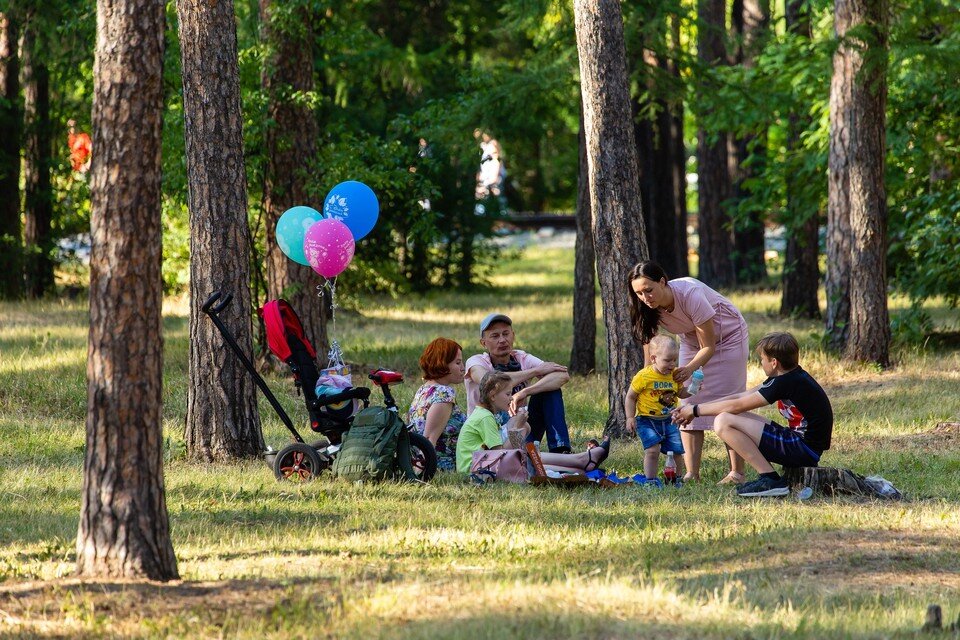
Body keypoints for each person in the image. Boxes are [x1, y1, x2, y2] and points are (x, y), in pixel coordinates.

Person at [627, 260, 749, 483]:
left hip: (728, 337)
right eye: (639, 293)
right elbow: (649, 341)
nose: (645, 298)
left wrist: (690, 369)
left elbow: (708, 347)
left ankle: (737, 473)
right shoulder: (647, 306)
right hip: (691, 340)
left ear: (662, 282)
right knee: (686, 406)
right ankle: (692, 473)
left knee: (729, 403)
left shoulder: (690, 294)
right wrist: (648, 374)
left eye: (649, 290)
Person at [673, 332, 833, 498]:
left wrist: (694, 411)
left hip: (803, 449)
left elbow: (737, 405)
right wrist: (694, 407)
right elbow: (741, 396)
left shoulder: (785, 382)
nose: (761, 363)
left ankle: (770, 478)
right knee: (730, 416)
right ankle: (769, 477)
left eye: (762, 359)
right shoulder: (789, 377)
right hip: (802, 445)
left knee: (723, 421)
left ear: (774, 362)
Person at [456, 371, 609, 475]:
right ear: (493, 395)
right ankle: (581, 462)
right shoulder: (484, 418)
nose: (511, 398)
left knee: (529, 457)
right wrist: (516, 427)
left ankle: (581, 465)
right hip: (477, 469)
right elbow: (500, 453)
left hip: (483, 465)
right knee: (528, 460)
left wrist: (522, 427)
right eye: (508, 394)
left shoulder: (486, 415)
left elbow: (511, 450)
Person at [465, 313, 572, 453]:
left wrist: (524, 392)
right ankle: (532, 456)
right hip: (490, 436)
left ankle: (561, 450)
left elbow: (562, 375)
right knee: (525, 457)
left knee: (550, 391)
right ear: (483, 343)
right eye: (495, 336)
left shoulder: (521, 358)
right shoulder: (476, 362)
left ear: (513, 335)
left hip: (521, 426)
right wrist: (535, 371)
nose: (502, 340)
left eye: (506, 334)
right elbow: (489, 379)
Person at [624, 335, 689, 486]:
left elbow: (680, 393)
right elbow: (630, 397)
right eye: (667, 360)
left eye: (675, 360)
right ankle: (651, 480)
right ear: (653, 358)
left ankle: (676, 479)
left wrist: (693, 390)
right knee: (652, 451)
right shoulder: (644, 376)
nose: (672, 364)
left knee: (677, 451)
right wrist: (630, 417)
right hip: (647, 420)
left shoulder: (674, 375)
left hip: (670, 419)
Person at [407, 338, 467, 472]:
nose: (463, 367)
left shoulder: (423, 390)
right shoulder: (444, 394)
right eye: (458, 363)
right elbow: (429, 439)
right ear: (442, 364)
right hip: (442, 466)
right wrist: (419, 475)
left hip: (420, 461)